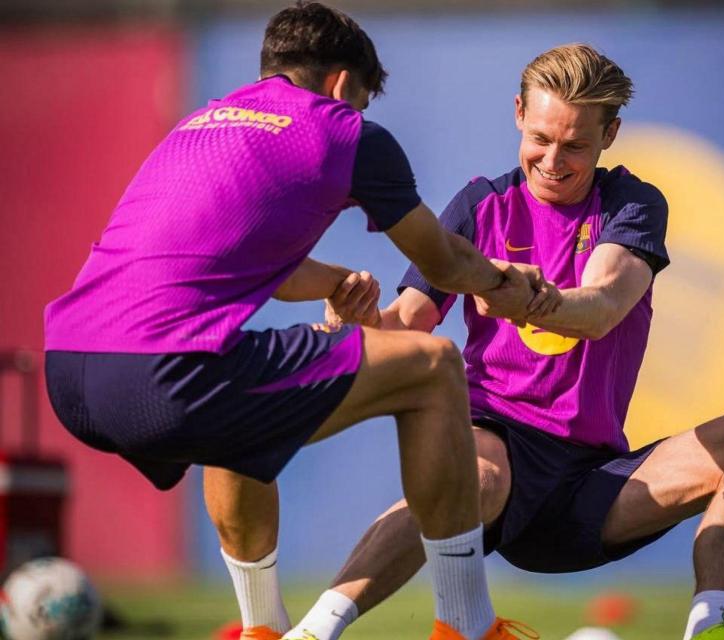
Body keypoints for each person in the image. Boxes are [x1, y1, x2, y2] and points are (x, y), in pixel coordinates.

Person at [41, 3, 549, 640]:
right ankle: (469, 628)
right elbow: (443, 261)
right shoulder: (343, 130)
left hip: (69, 370)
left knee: (238, 415)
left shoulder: (200, 125)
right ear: (342, 86)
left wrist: (337, 283)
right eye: (360, 101)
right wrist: (506, 282)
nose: (357, 113)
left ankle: (260, 631)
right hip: (163, 375)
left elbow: (254, 261)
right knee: (433, 367)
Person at [286, 44, 724, 640]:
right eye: (540, 138)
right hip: (496, 445)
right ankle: (312, 633)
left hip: (595, 481)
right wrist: (356, 323)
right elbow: (410, 321)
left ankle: (708, 630)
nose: (553, 160)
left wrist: (525, 298)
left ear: (610, 134)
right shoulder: (481, 205)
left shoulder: (631, 203)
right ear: (517, 115)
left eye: (576, 145)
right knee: (473, 475)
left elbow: (603, 305)